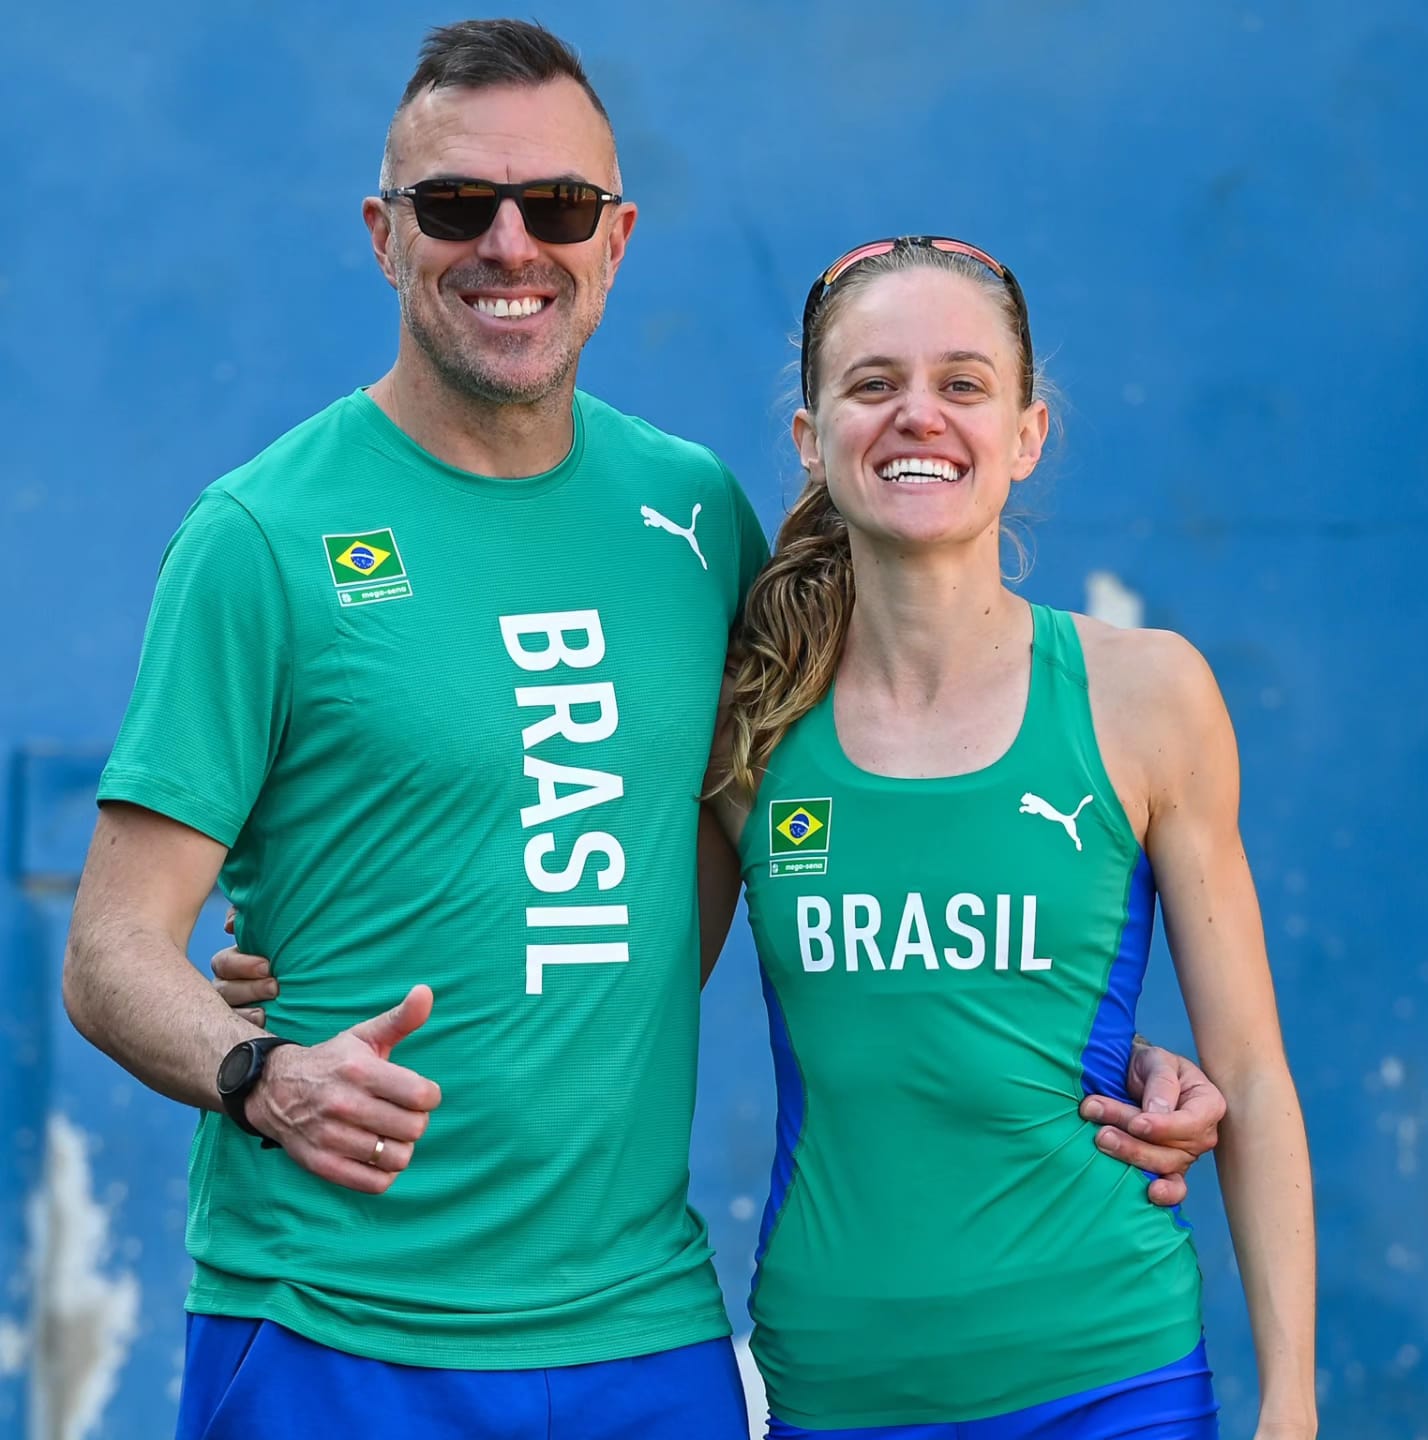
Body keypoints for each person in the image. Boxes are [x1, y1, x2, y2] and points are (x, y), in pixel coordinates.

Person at [62, 20, 1224, 1440]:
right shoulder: (262, 536)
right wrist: (258, 1071)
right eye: (456, 204)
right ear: (384, 234)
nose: (509, 244)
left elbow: (867, 831)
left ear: (614, 241)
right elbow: (111, 951)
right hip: (335, 1318)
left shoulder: (694, 518)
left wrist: (1094, 1056)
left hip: (643, 1335)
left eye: (556, 206)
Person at [700, 236, 1316, 1438]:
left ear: (1027, 433)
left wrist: (1292, 1404)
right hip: (841, 1384)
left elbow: (1249, 1072)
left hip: (1112, 1379)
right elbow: (617, 1000)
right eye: (874, 384)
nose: (918, 414)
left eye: (963, 383)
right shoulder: (748, 728)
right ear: (812, 437)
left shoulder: (1147, 695)